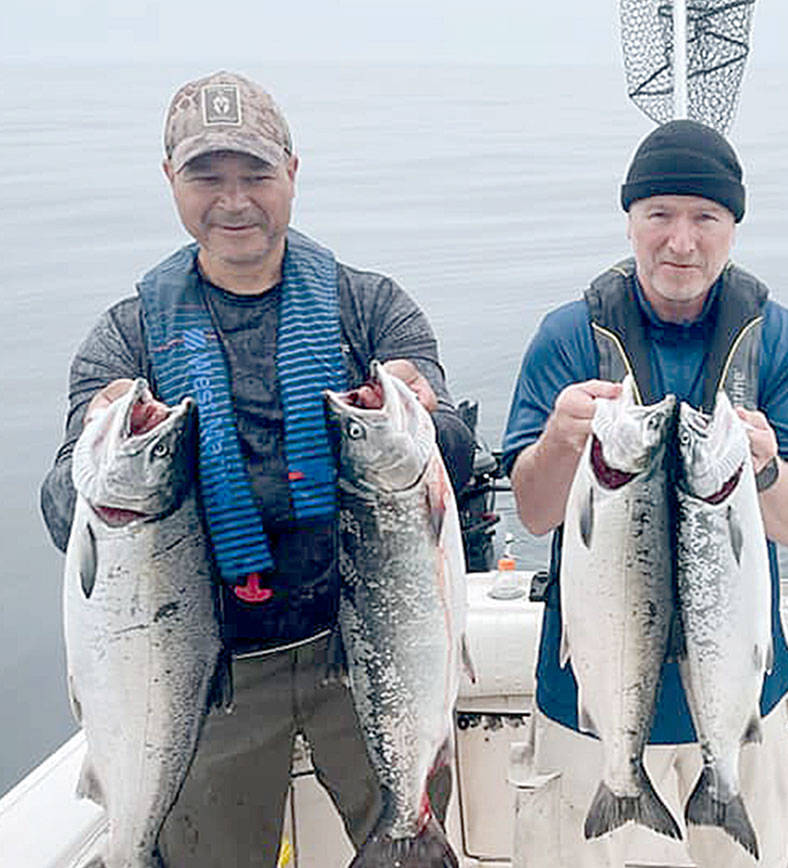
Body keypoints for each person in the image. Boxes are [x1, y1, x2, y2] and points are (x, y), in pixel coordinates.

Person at [39, 70, 475, 866]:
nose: (234, 200)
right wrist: (98, 457)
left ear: (293, 174)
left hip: (368, 646)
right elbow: (63, 513)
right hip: (204, 672)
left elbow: (451, 459)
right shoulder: (126, 340)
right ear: (170, 180)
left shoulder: (371, 310)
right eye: (208, 176)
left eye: (256, 175)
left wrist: (426, 416)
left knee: (413, 835)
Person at [501, 119, 788, 867]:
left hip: (740, 702)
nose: (680, 242)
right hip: (590, 703)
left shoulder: (780, 340)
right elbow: (532, 512)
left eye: (704, 218)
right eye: (659, 215)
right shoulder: (568, 337)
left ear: (733, 229)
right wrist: (560, 442)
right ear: (629, 222)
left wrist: (768, 469)